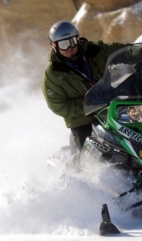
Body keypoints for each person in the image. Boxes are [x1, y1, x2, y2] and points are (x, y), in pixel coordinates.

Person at [41, 21, 132, 156]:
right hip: (83, 120)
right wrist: (90, 103)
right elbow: (58, 106)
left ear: (77, 38)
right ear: (54, 45)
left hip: (113, 106)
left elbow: (122, 51)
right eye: (63, 44)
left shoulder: (95, 50)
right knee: (86, 156)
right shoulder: (53, 74)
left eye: (72, 41)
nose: (70, 47)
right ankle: (79, 171)